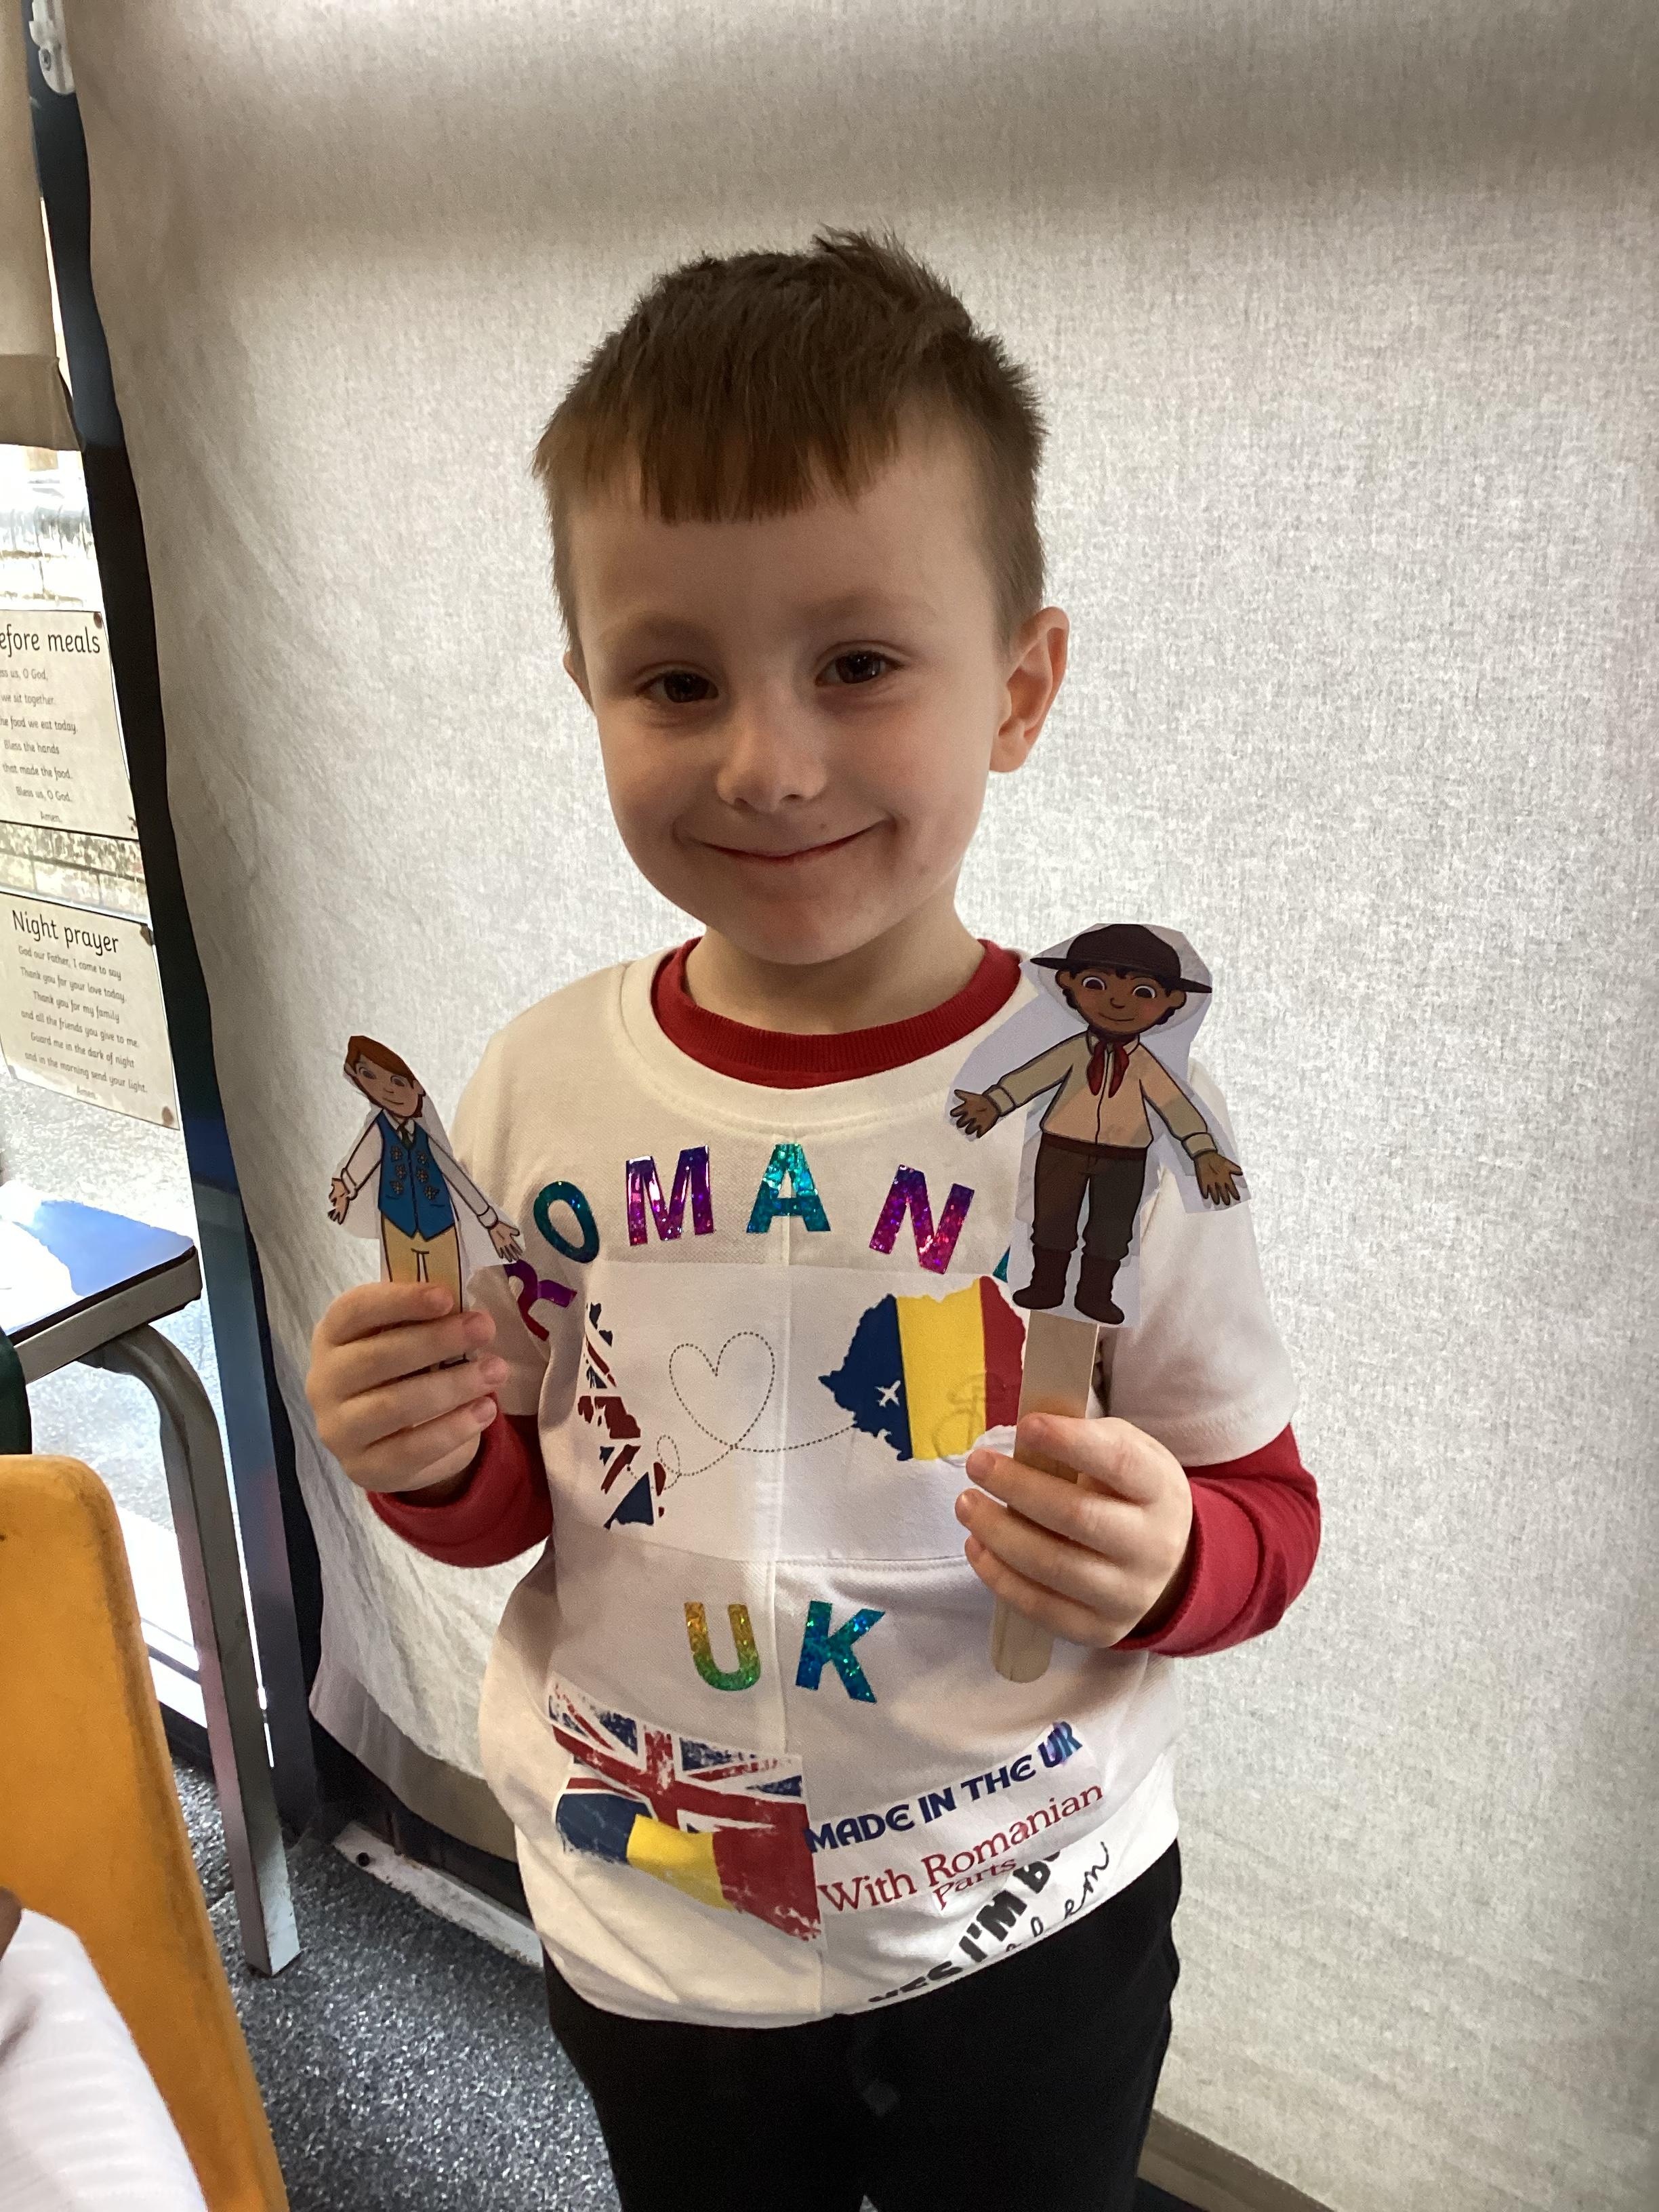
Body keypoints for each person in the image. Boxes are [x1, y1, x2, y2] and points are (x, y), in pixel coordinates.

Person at [304, 232, 1319, 2212]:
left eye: (857, 664)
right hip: (657, 1902)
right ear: (588, 689)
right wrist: (423, 1454)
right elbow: (517, 1495)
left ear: (1018, 686)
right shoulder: (535, 1085)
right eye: (676, 679)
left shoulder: (1115, 1116)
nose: (767, 764)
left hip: (1032, 1906)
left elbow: (1264, 1511)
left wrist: (1174, 1551)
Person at [951, 922, 1244, 1324]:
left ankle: (1096, 1295)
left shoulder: (1149, 1067)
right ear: (1068, 983)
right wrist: (995, 1103)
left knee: (1112, 1231)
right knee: (1051, 1222)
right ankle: (1046, 1285)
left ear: (1173, 1000)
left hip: (1125, 1159)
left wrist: (1204, 1152)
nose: (1118, 1002)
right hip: (1061, 1148)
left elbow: (1177, 1110)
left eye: (1143, 992)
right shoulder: (1072, 1050)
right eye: (1096, 983)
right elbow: (1034, 1077)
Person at [329, 1033, 522, 1307]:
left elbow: (457, 1178)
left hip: (440, 1224)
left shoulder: (428, 1137)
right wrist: (345, 1188)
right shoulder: (379, 1129)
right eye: (369, 1076)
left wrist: (491, 1221)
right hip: (396, 1224)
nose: (386, 1090)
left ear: (417, 1087)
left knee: (451, 1300)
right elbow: (362, 1161)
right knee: (402, 1301)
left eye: (397, 1082)